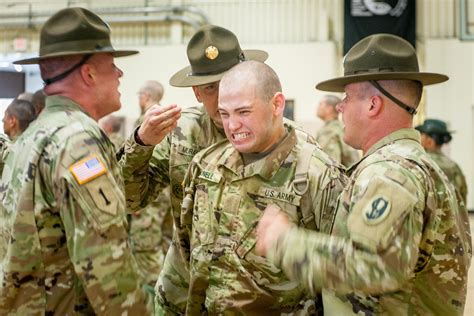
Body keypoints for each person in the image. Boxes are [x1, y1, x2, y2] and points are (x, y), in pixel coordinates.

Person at [256, 33, 472, 315]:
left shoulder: (390, 172)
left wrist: (284, 242)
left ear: (373, 105)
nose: (340, 107)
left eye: (347, 98)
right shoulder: (419, 164)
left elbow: (376, 266)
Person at [0, 7, 179, 314]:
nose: (120, 74)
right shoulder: (79, 140)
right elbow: (108, 267)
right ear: (89, 73)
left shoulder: (32, 135)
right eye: (112, 65)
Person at [165, 60, 346, 314]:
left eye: (243, 112)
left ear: (277, 104)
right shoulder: (206, 164)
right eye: (224, 114)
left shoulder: (316, 174)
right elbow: (185, 253)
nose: (232, 125)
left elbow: (342, 275)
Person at [119, 25, 274, 313]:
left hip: (253, 297)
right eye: (210, 88)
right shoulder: (180, 133)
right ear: (197, 93)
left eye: (229, 82)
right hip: (183, 292)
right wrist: (141, 144)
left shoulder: (277, 136)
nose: (223, 95)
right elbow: (131, 200)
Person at [130, 79, 172, 286]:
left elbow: (135, 161)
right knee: (165, 243)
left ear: (144, 97)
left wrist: (134, 196)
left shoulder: (146, 121)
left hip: (148, 193)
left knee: (145, 246)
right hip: (167, 193)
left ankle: (154, 294)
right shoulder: (169, 119)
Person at [416, 118, 468, 204]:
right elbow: (462, 197)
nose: (419, 137)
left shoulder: (421, 162)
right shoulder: (454, 166)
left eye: (422, 135)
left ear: (430, 141)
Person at [315, 94, 360, 167]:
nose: (317, 108)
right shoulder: (339, 127)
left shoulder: (330, 131)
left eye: (320, 104)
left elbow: (330, 166)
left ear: (329, 109)